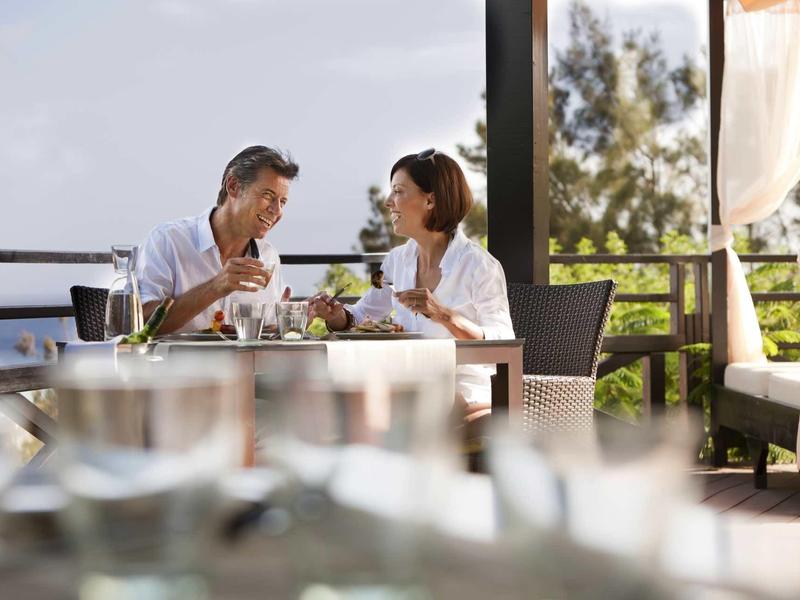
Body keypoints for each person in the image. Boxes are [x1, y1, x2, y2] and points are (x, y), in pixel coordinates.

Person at [310, 148, 514, 411]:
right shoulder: (395, 261)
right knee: (332, 404)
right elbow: (360, 316)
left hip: (462, 393)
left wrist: (444, 315)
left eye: (398, 191)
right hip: (406, 387)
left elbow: (503, 342)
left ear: (430, 201)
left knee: (365, 415)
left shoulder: (479, 266)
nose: (387, 201)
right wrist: (336, 316)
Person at [136, 146, 299, 334]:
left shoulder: (268, 257)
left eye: (283, 202)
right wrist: (215, 287)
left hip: (243, 363)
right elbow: (141, 324)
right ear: (233, 186)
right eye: (268, 195)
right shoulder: (167, 241)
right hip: (173, 362)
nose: (277, 210)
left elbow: (266, 335)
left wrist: (287, 324)